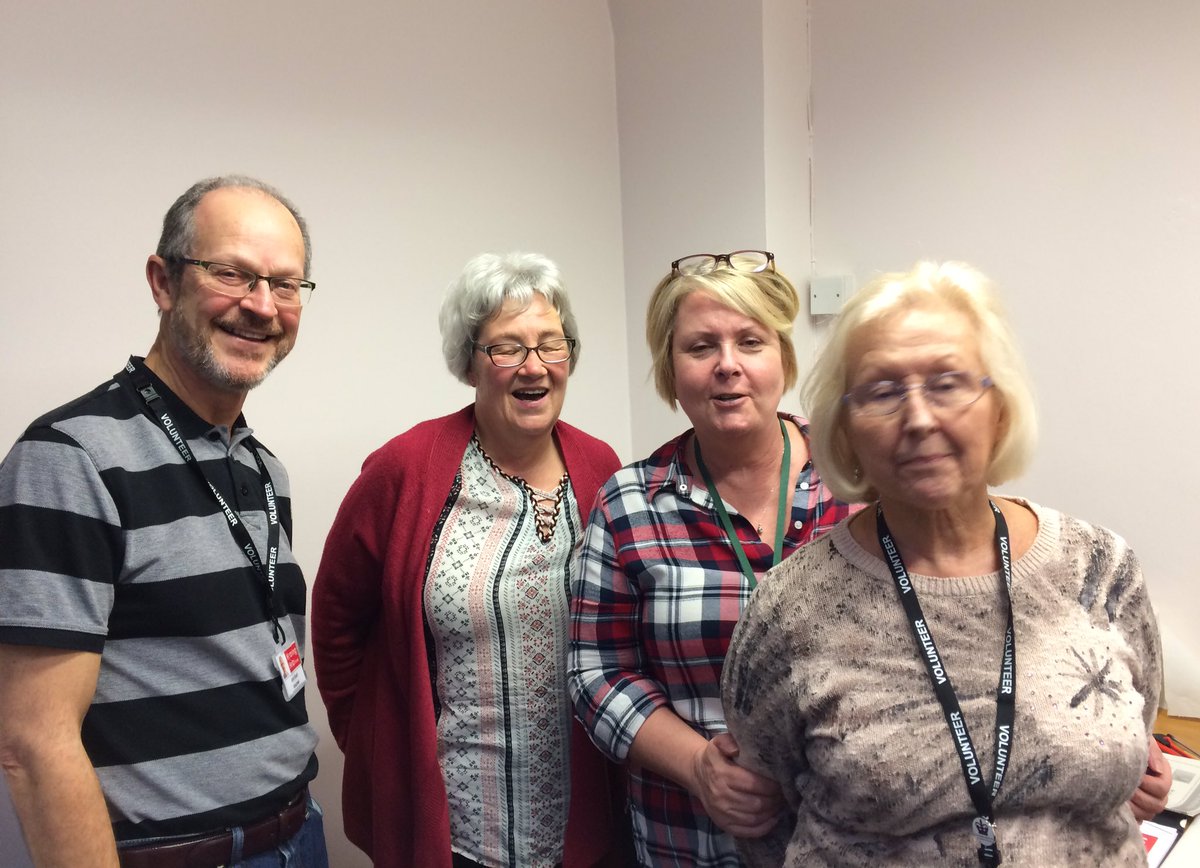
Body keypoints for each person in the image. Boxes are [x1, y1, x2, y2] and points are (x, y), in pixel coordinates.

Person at [722, 261, 1169, 867]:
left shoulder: (1100, 569)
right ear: (846, 431)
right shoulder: (790, 608)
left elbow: (1132, 753)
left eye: (948, 383)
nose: (920, 418)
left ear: (999, 407)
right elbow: (761, 815)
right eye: (882, 392)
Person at [0, 175, 327, 867]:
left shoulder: (263, 467)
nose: (261, 306)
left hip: (299, 835)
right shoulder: (69, 458)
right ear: (163, 281)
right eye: (231, 273)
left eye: (285, 284)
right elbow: (32, 743)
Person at [311, 252, 627, 868]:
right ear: (470, 361)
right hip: (458, 834)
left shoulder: (602, 467)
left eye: (551, 344)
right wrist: (377, 741)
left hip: (585, 829)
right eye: (506, 347)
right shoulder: (404, 470)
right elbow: (336, 619)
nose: (533, 366)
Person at [568, 250, 857, 867]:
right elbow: (597, 672)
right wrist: (699, 766)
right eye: (701, 347)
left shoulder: (857, 479)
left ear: (783, 358)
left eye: (750, 341)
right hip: (690, 841)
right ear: (670, 371)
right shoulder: (629, 504)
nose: (728, 364)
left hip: (853, 835)